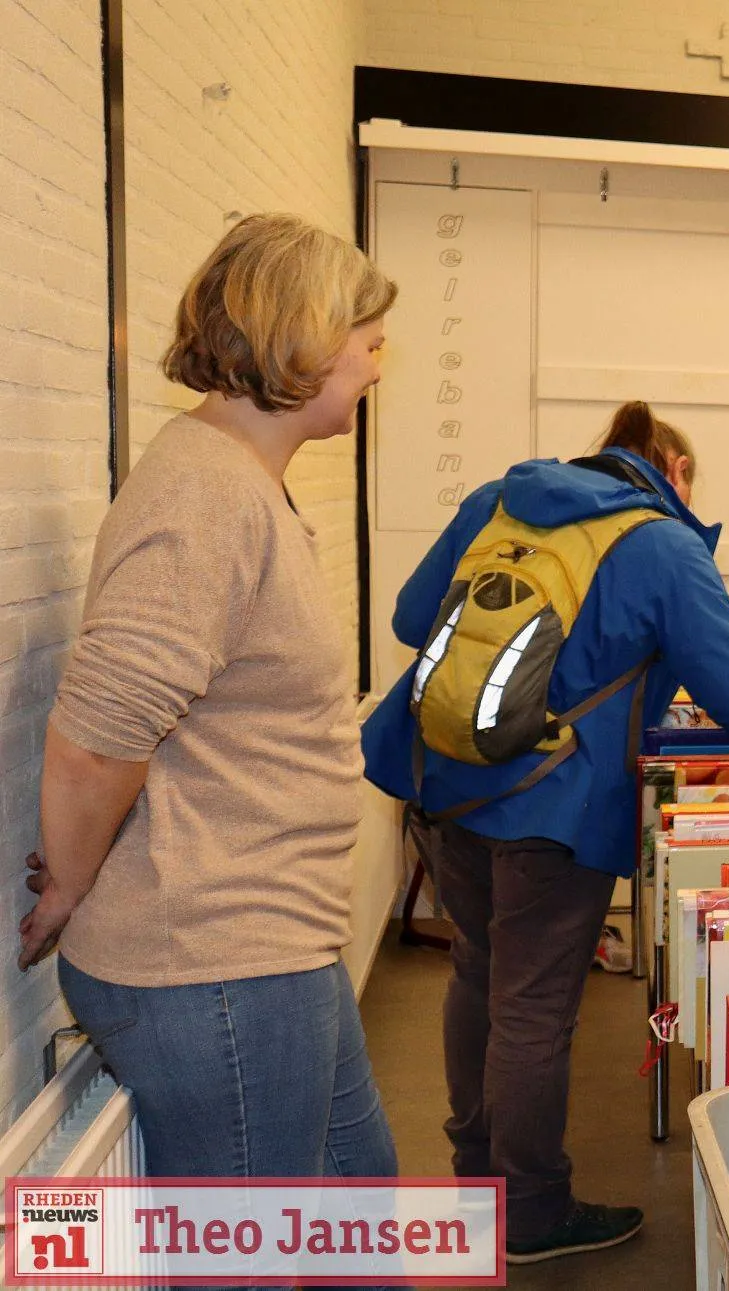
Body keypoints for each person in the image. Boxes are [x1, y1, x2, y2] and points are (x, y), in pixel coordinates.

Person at [361, 400, 729, 1263]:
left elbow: (414, 619)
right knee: (534, 1010)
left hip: (450, 785)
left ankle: (479, 1182)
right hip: (556, 809)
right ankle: (532, 1211)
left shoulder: (497, 500)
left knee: (478, 977)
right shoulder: (665, 544)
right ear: (672, 469)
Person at [20, 213, 399, 1184]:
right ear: (307, 336)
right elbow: (96, 738)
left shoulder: (238, 484)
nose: (376, 365)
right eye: (369, 340)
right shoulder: (206, 494)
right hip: (218, 967)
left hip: (269, 951)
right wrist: (69, 884)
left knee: (358, 1218)